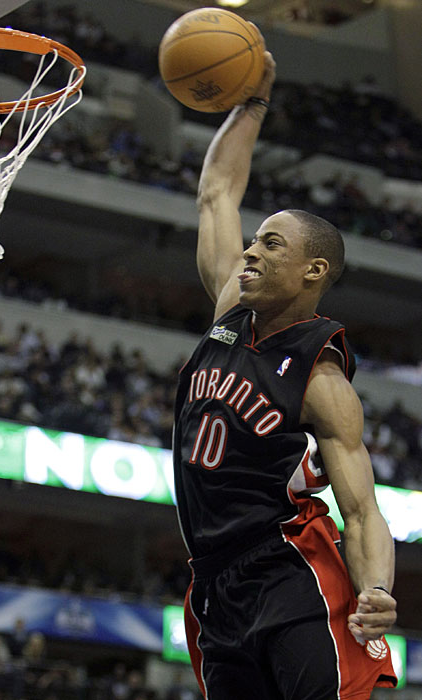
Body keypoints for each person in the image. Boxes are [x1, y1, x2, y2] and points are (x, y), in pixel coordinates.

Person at [172, 41, 397, 700]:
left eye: (270, 243)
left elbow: (361, 508)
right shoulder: (228, 312)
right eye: (253, 240)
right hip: (213, 583)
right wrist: (252, 101)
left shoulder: (321, 377)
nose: (249, 250)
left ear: (312, 271)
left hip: (286, 568)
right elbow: (217, 191)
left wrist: (376, 587)